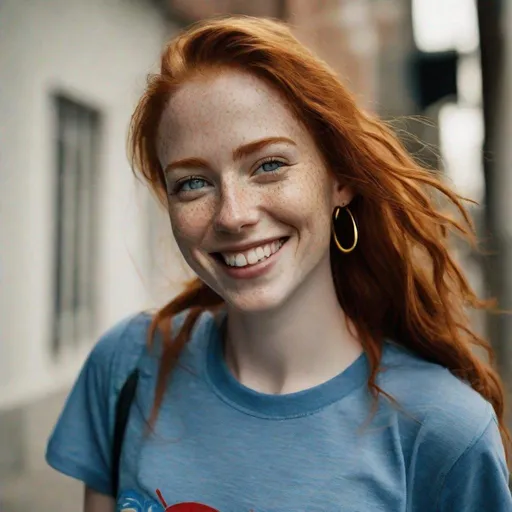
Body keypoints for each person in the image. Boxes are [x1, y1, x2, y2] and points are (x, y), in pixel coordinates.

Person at [46, 15, 512, 512]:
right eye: (192, 183)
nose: (233, 215)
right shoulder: (127, 366)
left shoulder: (443, 433)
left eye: (269, 165)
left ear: (339, 180)